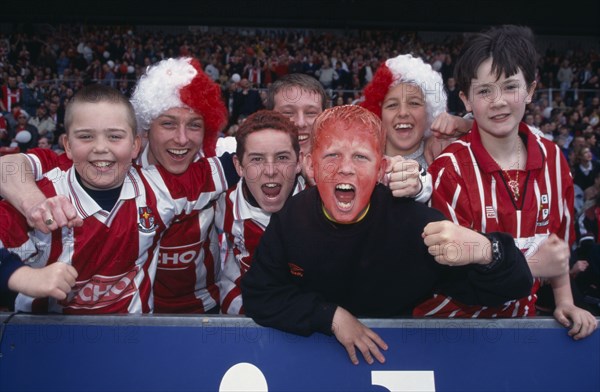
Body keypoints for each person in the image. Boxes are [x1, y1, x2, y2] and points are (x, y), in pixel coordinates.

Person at [241, 105, 533, 365]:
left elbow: (515, 285)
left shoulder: (413, 225)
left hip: (393, 357)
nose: (345, 168)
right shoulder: (292, 220)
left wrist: (487, 250)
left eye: (360, 157)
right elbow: (259, 295)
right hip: (313, 358)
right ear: (310, 166)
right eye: (332, 155)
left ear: (381, 169)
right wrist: (331, 317)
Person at [0, 57, 232, 314]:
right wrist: (21, 275)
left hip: (138, 338)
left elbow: (250, 160)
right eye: (86, 136)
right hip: (47, 341)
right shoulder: (50, 185)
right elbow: (7, 167)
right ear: (67, 145)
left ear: (134, 144)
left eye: (114, 136)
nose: (101, 147)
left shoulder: (160, 186)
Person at [416, 25, 597, 339]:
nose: (498, 101)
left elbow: (554, 246)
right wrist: (531, 267)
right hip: (449, 329)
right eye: (485, 91)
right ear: (466, 99)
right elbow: (457, 281)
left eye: (510, 86)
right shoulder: (450, 168)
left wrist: (565, 299)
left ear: (530, 89)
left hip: (519, 327)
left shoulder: (554, 160)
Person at [216, 110, 305, 314]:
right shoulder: (220, 202)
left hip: (303, 322)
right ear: (239, 166)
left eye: (282, 157)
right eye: (257, 159)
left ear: (299, 161)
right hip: (236, 321)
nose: (270, 170)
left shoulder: (321, 204)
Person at [361, 54, 472, 170]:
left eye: (414, 103)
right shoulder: (359, 164)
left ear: (429, 112)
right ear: (379, 114)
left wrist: (466, 124)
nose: (403, 113)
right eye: (392, 105)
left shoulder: (448, 159)